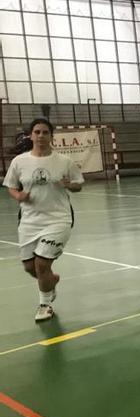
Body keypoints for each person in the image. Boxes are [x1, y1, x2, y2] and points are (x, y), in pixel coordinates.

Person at [3, 118, 84, 321]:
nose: (40, 136)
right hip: (29, 220)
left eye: (45, 132)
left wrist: (69, 184)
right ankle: (51, 281)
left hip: (58, 218)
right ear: (30, 135)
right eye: (37, 132)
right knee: (30, 267)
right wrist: (18, 196)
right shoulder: (19, 162)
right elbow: (11, 186)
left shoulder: (64, 162)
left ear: (51, 136)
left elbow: (78, 185)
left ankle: (45, 305)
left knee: (41, 264)